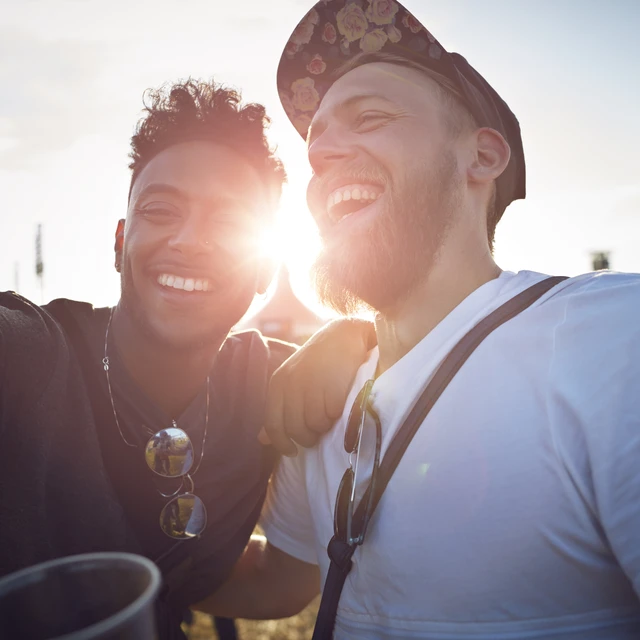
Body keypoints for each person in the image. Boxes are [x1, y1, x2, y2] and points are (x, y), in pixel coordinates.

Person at [198, 1, 640, 638]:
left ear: (483, 158)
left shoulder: (607, 339)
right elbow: (287, 579)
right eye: (315, 143)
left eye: (371, 117)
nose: (321, 155)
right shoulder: (319, 400)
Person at [0, 78, 374, 639]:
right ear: (120, 242)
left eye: (228, 222)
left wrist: (358, 334)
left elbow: (286, 581)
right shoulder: (30, 352)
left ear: (262, 270)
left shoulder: (269, 385)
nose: (191, 240)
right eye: (161, 210)